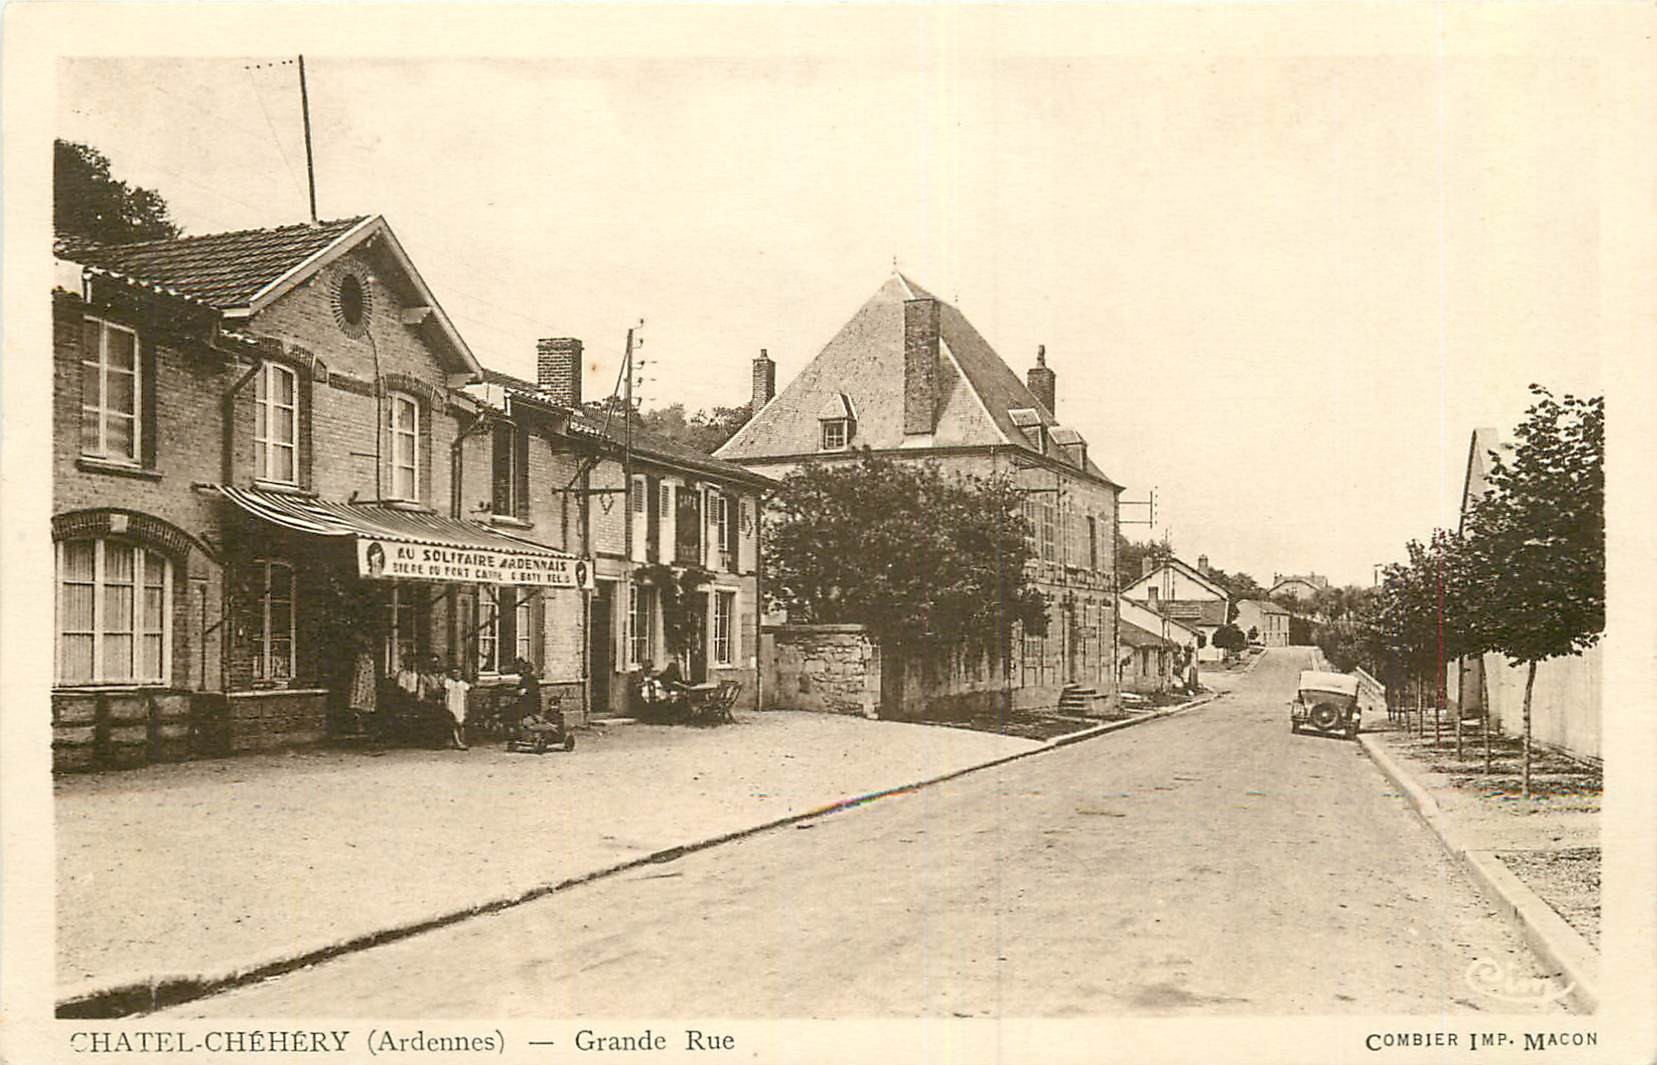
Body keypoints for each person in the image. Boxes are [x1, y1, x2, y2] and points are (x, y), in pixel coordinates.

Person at [348, 639, 378, 737]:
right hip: (361, 684)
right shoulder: (361, 659)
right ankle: (358, 726)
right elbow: (359, 675)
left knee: (366, 706)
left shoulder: (370, 660)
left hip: (368, 685)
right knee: (359, 704)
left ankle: (363, 726)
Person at [442, 665, 471, 750]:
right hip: (452, 704)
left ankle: (461, 741)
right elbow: (446, 695)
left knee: (461, 724)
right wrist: (446, 705)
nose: (456, 675)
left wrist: (466, 708)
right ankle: (458, 742)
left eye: (458, 673)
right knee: (453, 724)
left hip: (460, 705)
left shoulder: (464, 684)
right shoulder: (448, 682)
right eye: (454, 673)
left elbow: (465, 698)